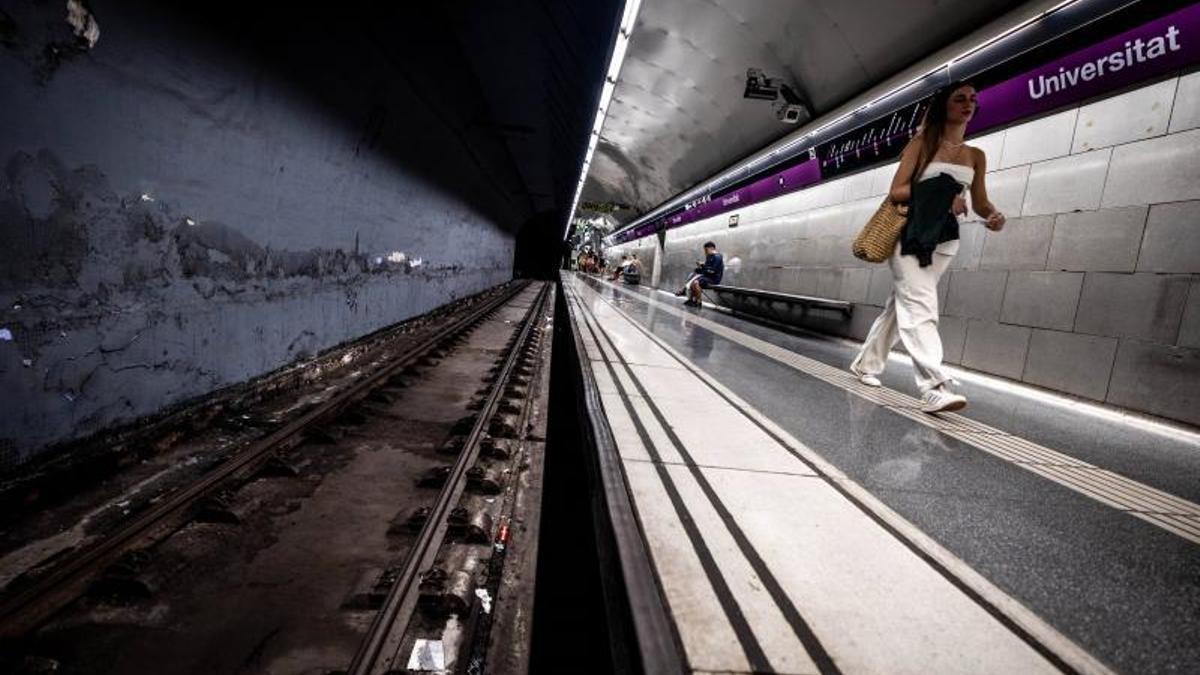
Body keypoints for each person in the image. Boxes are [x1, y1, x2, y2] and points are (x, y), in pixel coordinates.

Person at [849, 81, 1006, 414]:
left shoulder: (976, 155)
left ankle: (866, 364)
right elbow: (898, 191)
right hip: (912, 235)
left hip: (944, 241)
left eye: (973, 99)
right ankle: (934, 385)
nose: (968, 104)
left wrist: (992, 214)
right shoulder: (921, 144)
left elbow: (978, 201)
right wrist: (943, 194)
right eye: (959, 99)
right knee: (921, 306)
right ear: (943, 106)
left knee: (903, 304)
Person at [676, 241, 723, 307]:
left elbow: (713, 271)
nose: (705, 252)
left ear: (712, 248)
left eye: (706, 250)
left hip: (714, 278)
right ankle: (692, 299)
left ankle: (698, 302)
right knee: (693, 276)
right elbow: (707, 269)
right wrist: (701, 267)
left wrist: (703, 267)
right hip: (707, 276)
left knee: (695, 282)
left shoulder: (717, 257)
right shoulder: (709, 257)